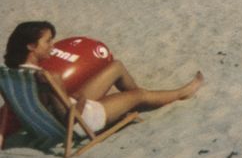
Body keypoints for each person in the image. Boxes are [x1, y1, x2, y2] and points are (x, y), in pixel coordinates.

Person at [4, 21, 203, 138]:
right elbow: (70, 118)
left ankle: (134, 99)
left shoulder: (12, 74)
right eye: (47, 41)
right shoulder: (46, 77)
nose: (52, 45)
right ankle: (179, 93)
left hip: (62, 109)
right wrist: (81, 101)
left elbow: (22, 108)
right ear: (31, 46)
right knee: (140, 94)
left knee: (116, 66)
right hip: (83, 122)